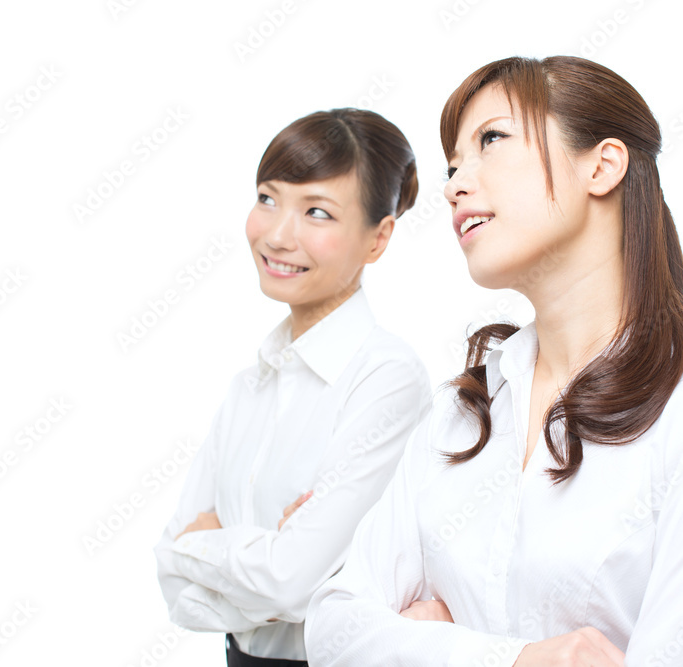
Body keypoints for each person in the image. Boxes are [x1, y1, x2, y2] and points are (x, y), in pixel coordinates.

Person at [304, 56, 683, 667]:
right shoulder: (461, 409)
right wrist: (517, 659)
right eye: (452, 164)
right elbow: (332, 630)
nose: (453, 184)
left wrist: (418, 642)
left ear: (602, 165)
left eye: (491, 140)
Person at [153, 107, 432, 666]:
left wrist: (204, 548)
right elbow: (169, 575)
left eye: (318, 213)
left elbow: (288, 584)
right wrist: (267, 565)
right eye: (267, 198)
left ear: (378, 238)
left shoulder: (387, 379)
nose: (278, 234)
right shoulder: (249, 384)